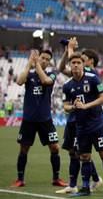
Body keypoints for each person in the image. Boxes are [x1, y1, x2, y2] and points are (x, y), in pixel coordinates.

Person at [57, 38, 103, 195]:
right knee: (82, 154)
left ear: (88, 62)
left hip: (96, 122)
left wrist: (70, 49)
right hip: (79, 123)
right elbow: (65, 105)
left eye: (81, 61)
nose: (76, 64)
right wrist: (72, 107)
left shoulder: (92, 76)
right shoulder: (68, 85)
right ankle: (83, 185)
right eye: (74, 62)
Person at [12, 49, 66, 188]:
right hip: (29, 119)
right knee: (23, 149)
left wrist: (36, 64)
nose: (45, 61)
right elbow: (19, 81)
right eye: (43, 58)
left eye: (48, 59)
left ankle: (56, 178)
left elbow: (45, 80)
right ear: (38, 58)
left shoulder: (51, 74)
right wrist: (29, 64)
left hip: (45, 119)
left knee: (55, 148)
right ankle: (20, 179)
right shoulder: (29, 75)